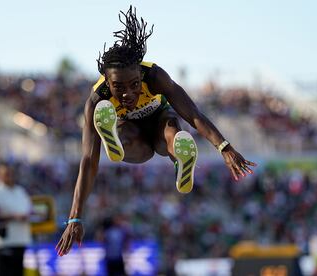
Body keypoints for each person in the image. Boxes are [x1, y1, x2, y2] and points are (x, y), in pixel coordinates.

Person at [56, 6, 256, 256]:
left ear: (141, 74)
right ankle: (114, 139)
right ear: (107, 82)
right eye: (118, 87)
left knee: (172, 130)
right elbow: (88, 160)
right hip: (132, 136)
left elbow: (192, 113)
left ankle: (181, 158)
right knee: (136, 141)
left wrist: (224, 146)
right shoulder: (97, 101)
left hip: (160, 120)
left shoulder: (155, 76)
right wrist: (74, 217)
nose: (128, 93)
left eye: (134, 84)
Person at [0, 163, 32, 276]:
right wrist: (14, 216)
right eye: (6, 174)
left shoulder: (20, 191)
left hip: (20, 239)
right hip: (3, 242)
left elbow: (28, 209)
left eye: (11, 173)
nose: (10, 176)